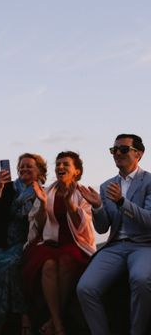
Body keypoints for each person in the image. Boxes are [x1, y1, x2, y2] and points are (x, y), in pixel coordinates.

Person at [77, 134, 151, 335]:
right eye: (114, 150)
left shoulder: (149, 182)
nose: (117, 153)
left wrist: (121, 202)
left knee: (141, 280)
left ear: (139, 154)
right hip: (115, 246)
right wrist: (98, 207)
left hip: (144, 246)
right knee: (85, 288)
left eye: (123, 149)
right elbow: (102, 228)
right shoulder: (106, 185)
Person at [22, 151, 95, 335]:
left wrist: (71, 204)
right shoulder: (47, 192)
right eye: (58, 164)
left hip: (74, 243)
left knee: (66, 262)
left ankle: (53, 321)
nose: (60, 167)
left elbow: (84, 229)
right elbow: (36, 225)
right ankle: (58, 324)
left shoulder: (83, 193)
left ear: (76, 171)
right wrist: (42, 204)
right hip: (48, 242)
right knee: (47, 265)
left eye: (65, 164)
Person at [0, 153, 47, 335]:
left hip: (21, 241)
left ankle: (24, 313)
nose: (24, 169)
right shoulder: (8, 187)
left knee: (12, 266)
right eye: (22, 166)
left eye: (29, 166)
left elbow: (42, 224)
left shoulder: (43, 192)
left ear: (39, 171)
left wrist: (42, 203)